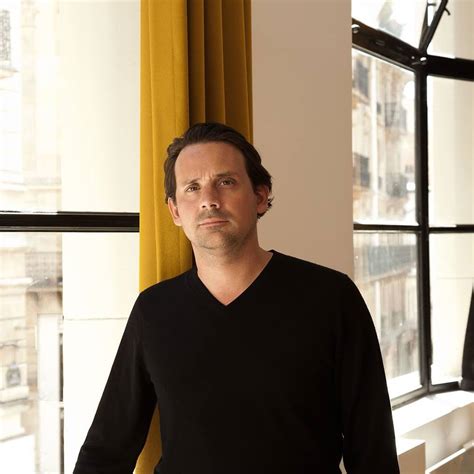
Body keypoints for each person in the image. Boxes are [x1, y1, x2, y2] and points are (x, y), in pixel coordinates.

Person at [74, 122, 400, 473]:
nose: (208, 200)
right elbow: (105, 451)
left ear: (259, 196)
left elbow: (373, 451)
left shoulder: (332, 298)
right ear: (175, 211)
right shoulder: (153, 310)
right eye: (192, 188)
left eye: (226, 182)